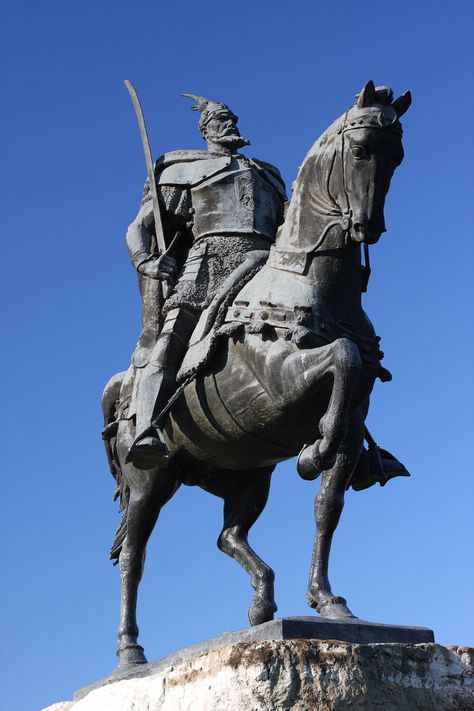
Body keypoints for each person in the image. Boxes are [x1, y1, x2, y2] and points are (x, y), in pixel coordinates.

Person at [125, 94, 287, 469]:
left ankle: (358, 443)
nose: (230, 124)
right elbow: (139, 228)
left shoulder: (268, 175)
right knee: (169, 343)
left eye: (232, 118)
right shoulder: (184, 169)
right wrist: (146, 261)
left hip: (265, 264)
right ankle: (147, 429)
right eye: (220, 120)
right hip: (208, 265)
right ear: (204, 130)